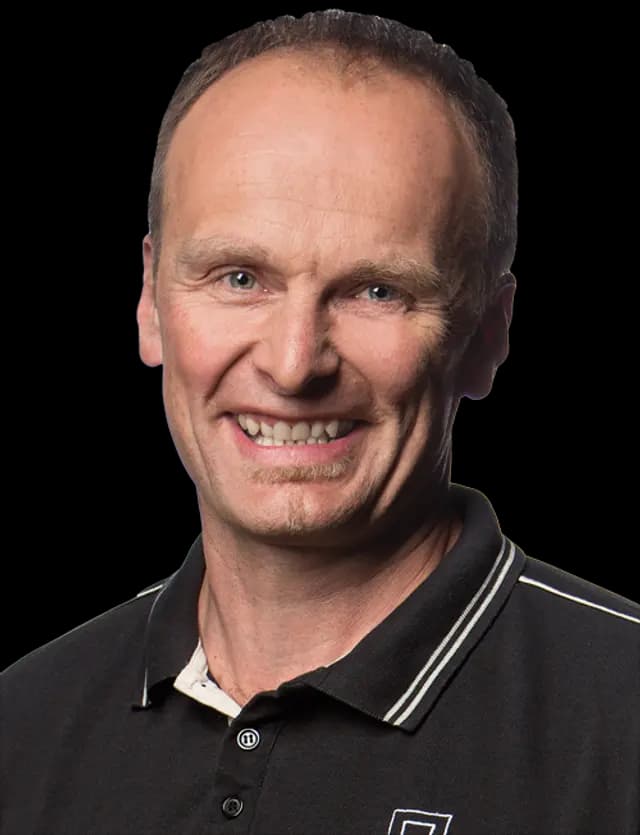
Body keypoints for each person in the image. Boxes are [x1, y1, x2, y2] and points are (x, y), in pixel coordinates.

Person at [2, 10, 638, 835]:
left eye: (377, 290)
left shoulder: (623, 719)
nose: (295, 363)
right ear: (151, 300)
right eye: (239, 277)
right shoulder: (21, 724)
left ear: (487, 335)